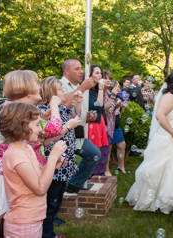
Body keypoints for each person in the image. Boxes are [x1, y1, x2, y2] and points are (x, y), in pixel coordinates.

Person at [0, 70, 68, 237]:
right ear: (22, 126)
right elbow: (40, 188)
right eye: (37, 125)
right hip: (22, 223)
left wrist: (52, 164)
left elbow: (39, 179)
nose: (41, 129)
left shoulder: (27, 148)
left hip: (33, 218)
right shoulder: (15, 154)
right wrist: (52, 158)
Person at [125, 71, 173, 219]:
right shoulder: (169, 96)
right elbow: (160, 115)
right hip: (172, 137)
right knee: (166, 170)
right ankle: (161, 200)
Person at [36, 76, 81, 238]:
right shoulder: (43, 111)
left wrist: (78, 101)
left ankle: (49, 231)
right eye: (61, 89)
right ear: (51, 93)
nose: (64, 91)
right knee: (50, 202)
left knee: (56, 199)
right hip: (52, 164)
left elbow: (77, 115)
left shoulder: (61, 108)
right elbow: (49, 139)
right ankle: (47, 234)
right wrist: (68, 126)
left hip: (63, 161)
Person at [58, 59, 101, 194]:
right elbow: (63, 104)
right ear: (67, 71)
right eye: (77, 69)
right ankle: (71, 185)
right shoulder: (60, 85)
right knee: (91, 154)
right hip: (63, 134)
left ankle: (74, 183)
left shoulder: (79, 86)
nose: (81, 71)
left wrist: (87, 117)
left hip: (76, 133)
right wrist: (82, 87)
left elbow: (76, 111)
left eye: (81, 68)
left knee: (93, 154)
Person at [86, 65, 115, 176]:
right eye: (97, 73)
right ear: (90, 75)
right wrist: (101, 89)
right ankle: (88, 174)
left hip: (100, 120)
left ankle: (92, 174)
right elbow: (98, 105)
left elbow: (102, 107)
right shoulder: (88, 90)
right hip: (92, 122)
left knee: (98, 149)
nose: (100, 76)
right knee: (93, 150)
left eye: (100, 73)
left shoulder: (96, 89)